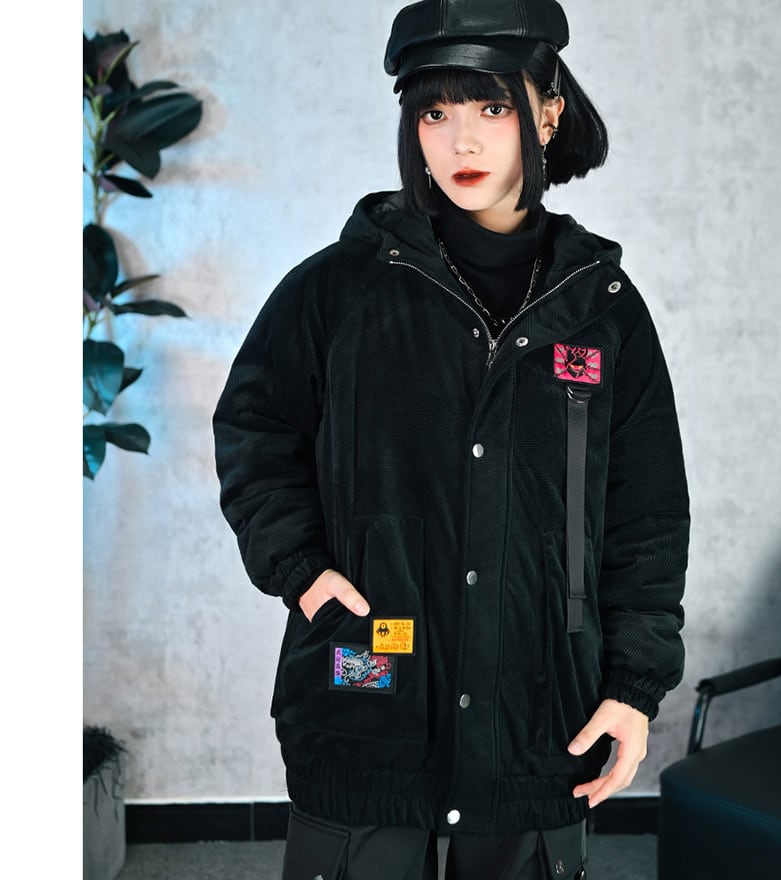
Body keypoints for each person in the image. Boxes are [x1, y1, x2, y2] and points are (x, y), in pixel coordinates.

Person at [213, 1, 689, 877]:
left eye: (492, 107)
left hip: (540, 703)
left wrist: (633, 688)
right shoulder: (337, 291)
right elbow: (255, 431)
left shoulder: (602, 310)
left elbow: (647, 515)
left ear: (548, 113)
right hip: (370, 679)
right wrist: (302, 570)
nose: (460, 140)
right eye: (434, 111)